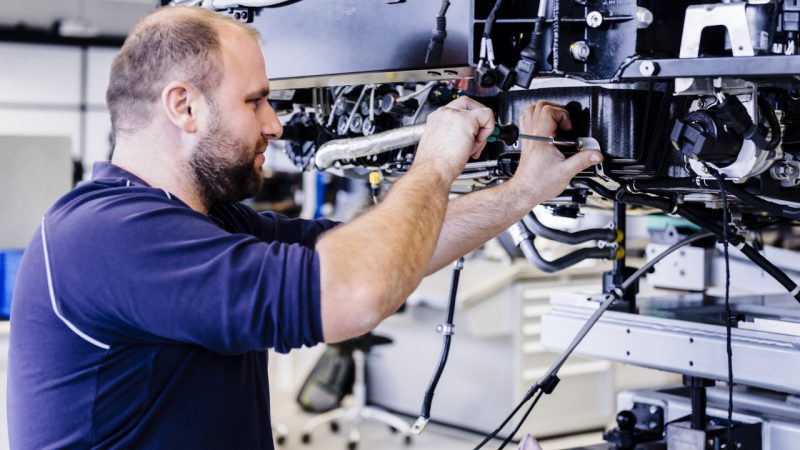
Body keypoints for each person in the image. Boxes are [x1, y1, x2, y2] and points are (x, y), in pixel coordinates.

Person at [7, 6, 603, 449]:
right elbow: (354, 292)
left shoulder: (205, 221)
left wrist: (526, 188)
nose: (275, 125)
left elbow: (384, 253)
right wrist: (434, 163)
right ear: (183, 106)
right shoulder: (105, 236)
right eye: (255, 101)